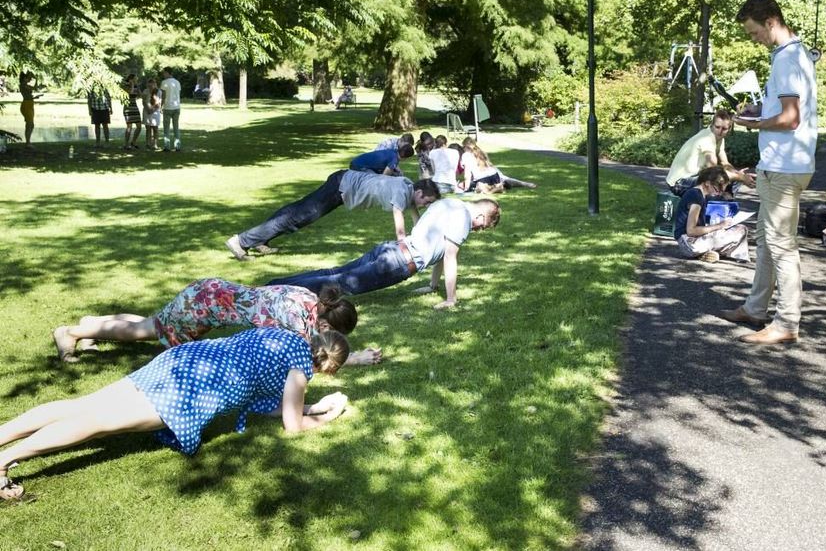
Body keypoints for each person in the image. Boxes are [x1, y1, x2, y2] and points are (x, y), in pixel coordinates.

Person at [0, 327, 349, 502]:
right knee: (97, 423)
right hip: (193, 389)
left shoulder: (284, 336)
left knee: (84, 406)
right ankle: (7, 458)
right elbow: (292, 426)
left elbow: (276, 402)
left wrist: (308, 406)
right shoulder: (301, 371)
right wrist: (330, 413)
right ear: (329, 369)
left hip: (183, 361)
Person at [722, 0, 817, 345]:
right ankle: (756, 307)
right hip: (782, 165)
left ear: (770, 22)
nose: (753, 39)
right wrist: (759, 109)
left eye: (753, 32)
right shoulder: (794, 55)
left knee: (780, 246)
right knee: (766, 241)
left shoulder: (787, 58)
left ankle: (787, 323)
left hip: (784, 167)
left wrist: (755, 124)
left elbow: (791, 119)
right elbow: (787, 105)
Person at [50, 278, 380, 365]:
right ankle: (70, 332)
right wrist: (358, 358)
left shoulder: (311, 299)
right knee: (147, 331)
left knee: (153, 322)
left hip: (210, 292)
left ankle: (91, 324)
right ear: (325, 326)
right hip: (203, 305)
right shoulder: (297, 321)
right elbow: (318, 355)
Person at [267, 198, 501, 309]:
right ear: (481, 217)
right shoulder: (464, 219)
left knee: (335, 272)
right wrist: (451, 299)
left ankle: (275, 285)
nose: (477, 229)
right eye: (482, 227)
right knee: (337, 284)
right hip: (398, 263)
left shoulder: (451, 203)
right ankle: (277, 292)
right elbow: (450, 257)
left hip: (390, 249)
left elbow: (440, 252)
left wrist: (432, 286)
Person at [226, 174, 440, 259]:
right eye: (426, 201)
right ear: (419, 193)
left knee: (296, 212)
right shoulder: (403, 192)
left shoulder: (409, 187)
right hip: (340, 187)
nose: (423, 205)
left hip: (342, 184)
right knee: (297, 217)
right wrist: (403, 243)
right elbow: (399, 221)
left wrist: (424, 237)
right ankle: (241, 241)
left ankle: (260, 239)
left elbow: (415, 216)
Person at [665, 109, 756, 196]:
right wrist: (740, 177)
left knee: (733, 178)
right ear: (712, 125)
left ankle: (724, 204)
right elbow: (713, 169)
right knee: (717, 179)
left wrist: (738, 174)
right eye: (717, 127)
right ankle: (719, 202)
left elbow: (725, 163)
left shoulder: (720, 139)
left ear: (729, 128)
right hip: (680, 183)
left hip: (692, 177)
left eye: (724, 129)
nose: (719, 132)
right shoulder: (707, 138)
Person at [674, 166, 750, 263]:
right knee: (740, 230)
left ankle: (708, 253)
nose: (718, 193)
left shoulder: (702, 195)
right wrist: (719, 226)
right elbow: (691, 230)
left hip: (694, 241)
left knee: (740, 228)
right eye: (717, 189)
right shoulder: (695, 196)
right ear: (707, 183)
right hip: (689, 243)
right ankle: (719, 253)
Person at [460, 137, 537, 193]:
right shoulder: (481, 152)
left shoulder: (466, 155)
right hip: (495, 176)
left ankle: (494, 189)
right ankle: (501, 185)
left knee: (476, 188)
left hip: (483, 179)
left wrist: (466, 189)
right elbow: (490, 165)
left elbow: (467, 175)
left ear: (464, 146)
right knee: (505, 179)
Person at [349, 144, 414, 175]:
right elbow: (384, 176)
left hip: (356, 162)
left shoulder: (394, 152)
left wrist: (399, 171)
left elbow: (394, 166)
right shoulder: (394, 160)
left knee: (395, 174)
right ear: (406, 158)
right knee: (374, 179)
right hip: (358, 166)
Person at [159, 67, 182, 152]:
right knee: (176, 127)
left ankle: (167, 146)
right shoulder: (177, 82)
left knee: (166, 128)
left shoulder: (164, 83)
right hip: (176, 107)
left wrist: (161, 106)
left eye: (164, 73)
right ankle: (177, 146)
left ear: (168, 73)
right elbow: (178, 94)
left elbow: (163, 96)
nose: (163, 75)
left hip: (168, 107)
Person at [18, 71, 43, 148]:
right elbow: (34, 88)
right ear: (24, 79)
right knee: (29, 124)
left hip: (30, 104)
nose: (29, 79)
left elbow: (34, 89)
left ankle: (28, 142)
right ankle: (28, 143)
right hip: (26, 105)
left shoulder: (25, 85)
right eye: (27, 78)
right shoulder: (22, 85)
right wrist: (36, 79)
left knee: (31, 125)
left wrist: (35, 97)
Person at [121, 74, 144, 150]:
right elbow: (130, 93)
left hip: (134, 107)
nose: (136, 80)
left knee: (139, 126)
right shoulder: (125, 86)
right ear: (130, 79)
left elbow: (140, 95)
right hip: (128, 107)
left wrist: (137, 86)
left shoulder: (136, 86)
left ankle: (133, 142)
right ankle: (126, 144)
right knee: (129, 127)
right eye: (134, 79)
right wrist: (132, 85)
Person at [142, 78, 162, 150]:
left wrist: (152, 110)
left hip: (155, 112)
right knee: (148, 128)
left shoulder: (158, 91)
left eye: (152, 85)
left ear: (154, 85)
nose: (150, 87)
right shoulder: (145, 91)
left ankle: (155, 144)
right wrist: (148, 109)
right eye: (149, 85)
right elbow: (143, 101)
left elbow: (158, 103)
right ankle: (148, 143)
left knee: (155, 128)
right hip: (146, 111)